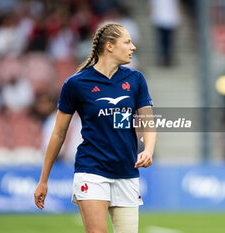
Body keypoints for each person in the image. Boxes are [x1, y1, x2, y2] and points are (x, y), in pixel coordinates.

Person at [34, 22, 157, 233]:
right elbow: (58, 134)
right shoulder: (75, 84)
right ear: (109, 46)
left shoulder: (136, 79)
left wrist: (148, 150)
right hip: (92, 171)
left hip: (127, 171)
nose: (132, 47)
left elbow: (148, 123)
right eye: (127, 42)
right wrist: (43, 180)